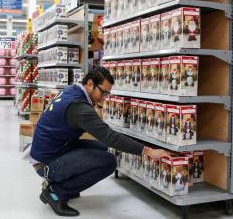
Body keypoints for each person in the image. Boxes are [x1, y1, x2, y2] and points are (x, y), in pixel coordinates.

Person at [30, 67, 172, 217]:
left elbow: (103, 136)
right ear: (90, 84)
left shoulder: (73, 91)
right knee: (109, 162)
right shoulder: (79, 108)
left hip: (55, 150)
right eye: (103, 92)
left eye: (107, 94)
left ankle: (65, 185)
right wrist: (148, 151)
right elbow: (109, 136)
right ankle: (56, 193)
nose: (105, 97)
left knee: (102, 148)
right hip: (46, 163)